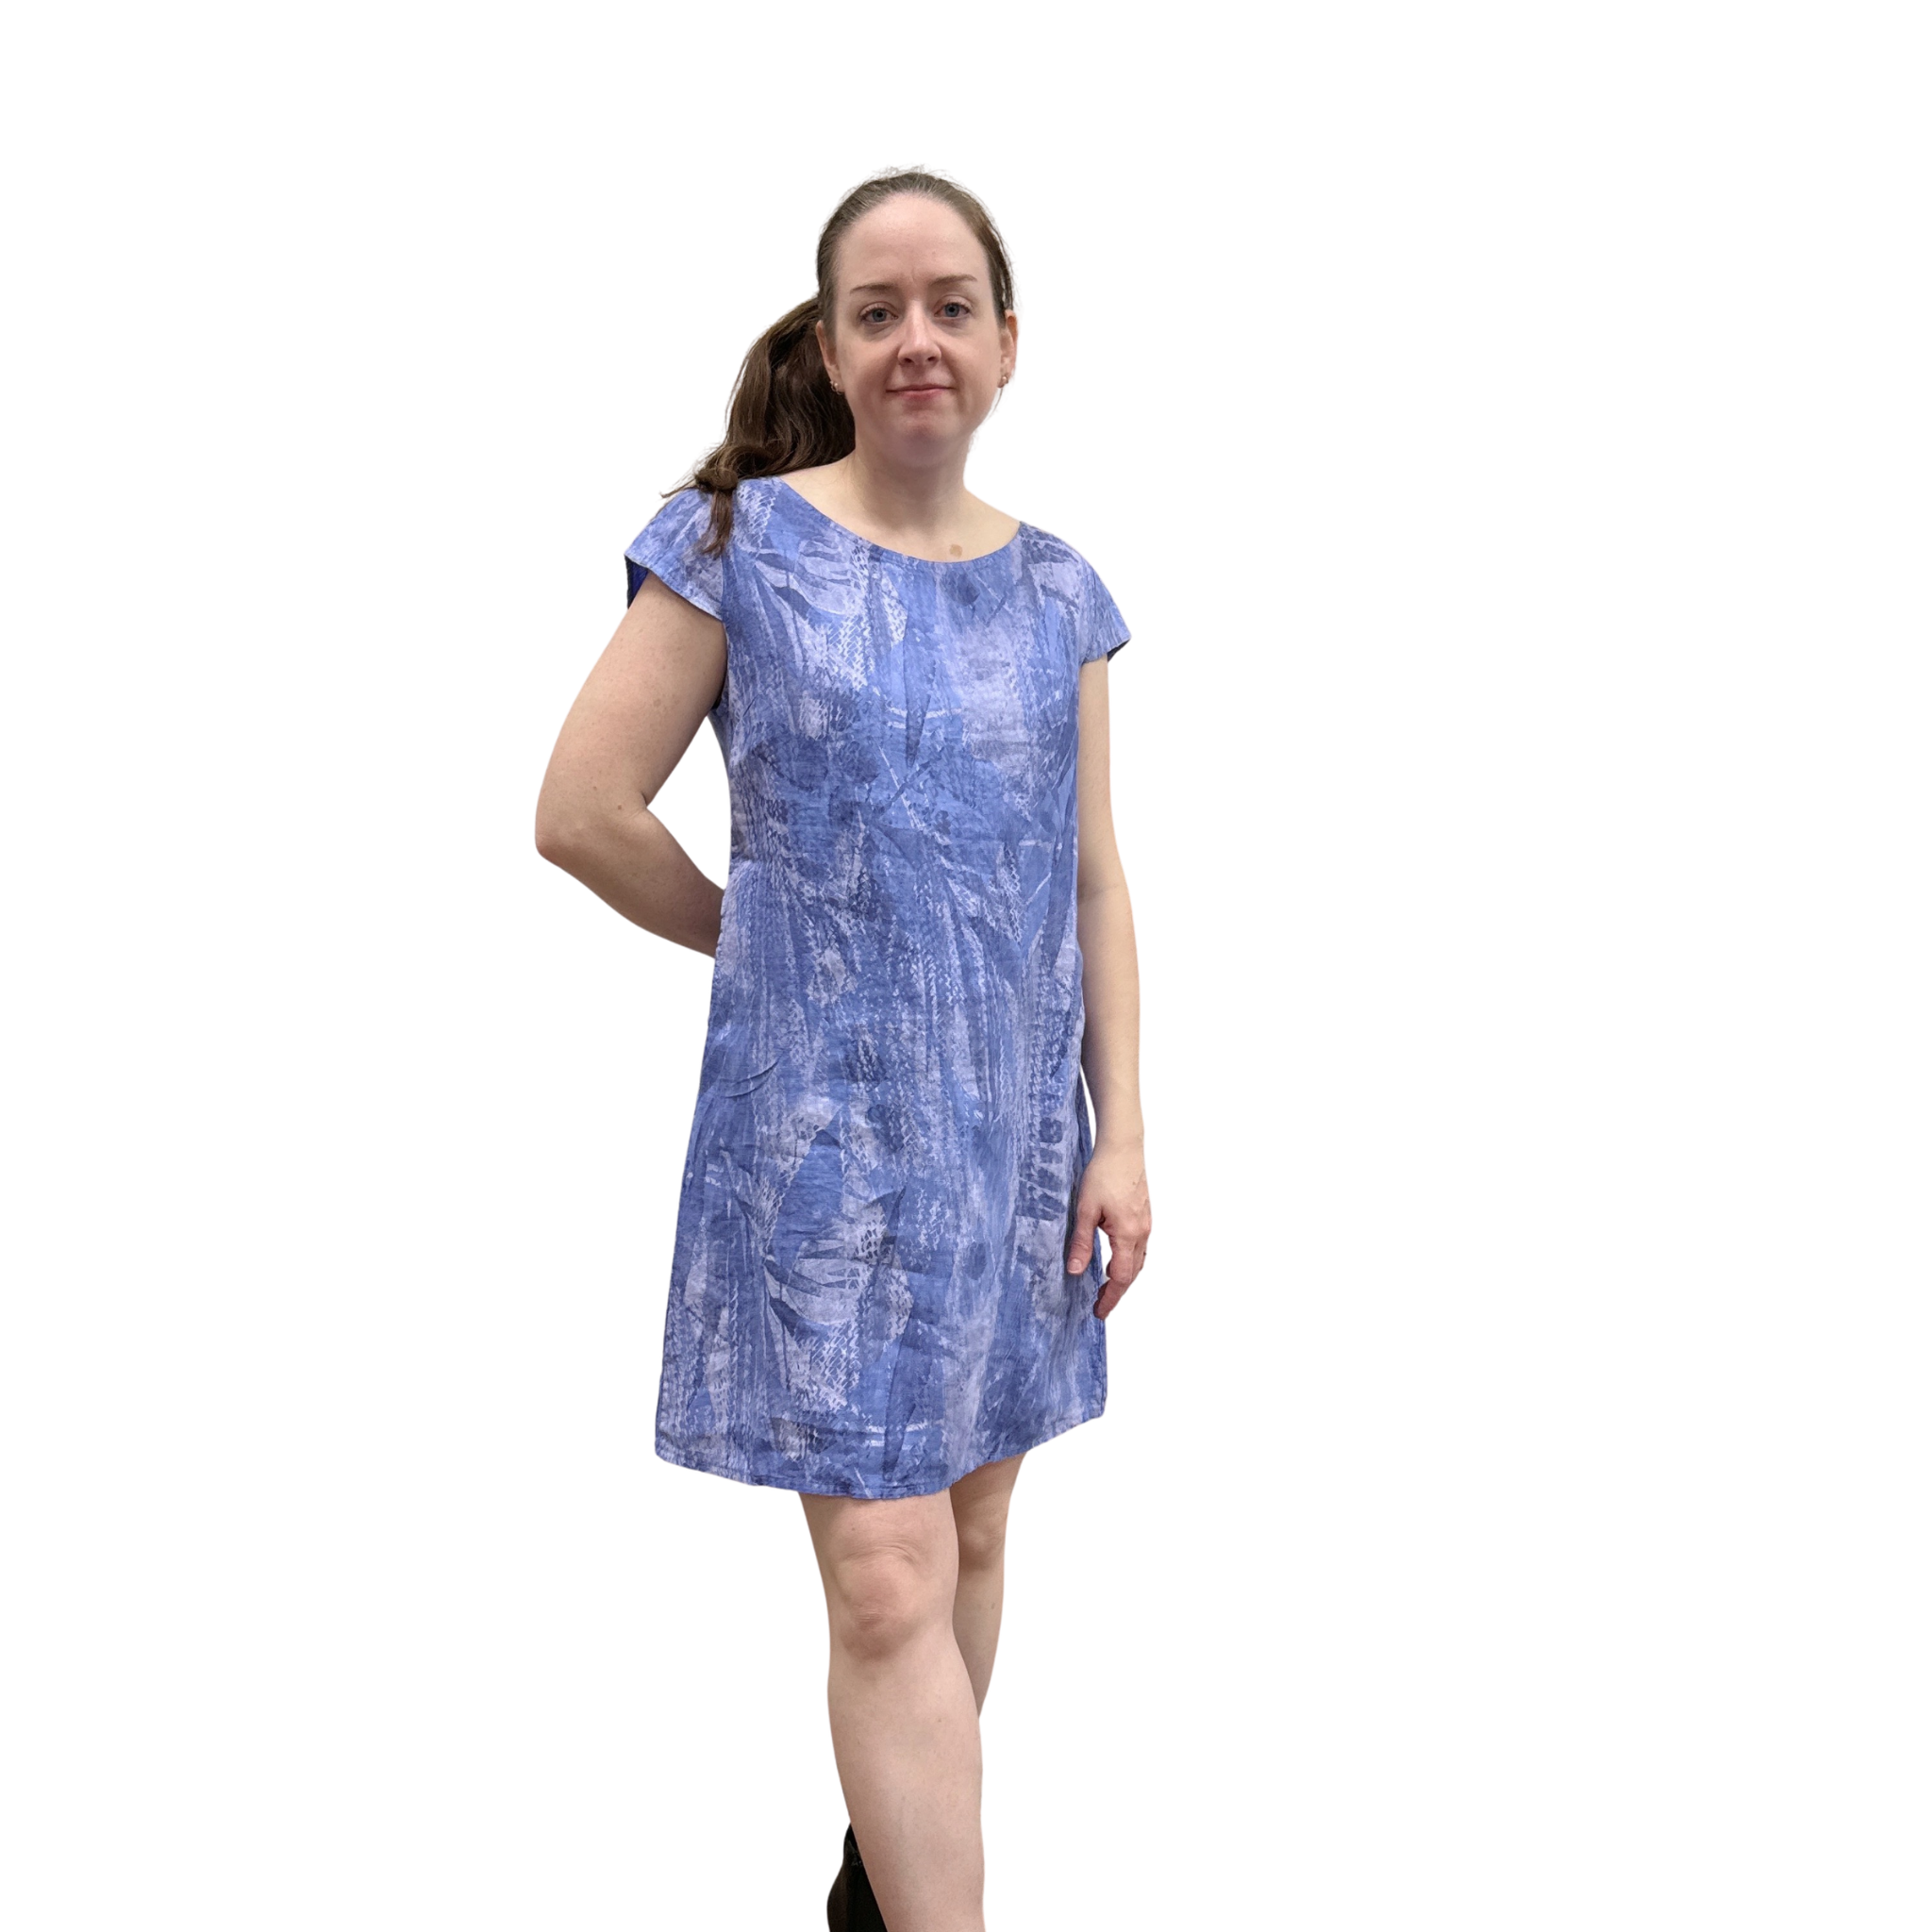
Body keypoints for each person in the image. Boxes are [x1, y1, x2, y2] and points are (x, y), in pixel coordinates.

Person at [534, 167, 1152, 1932]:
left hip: (1012, 1147)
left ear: (1009, 344)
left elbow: (1094, 877)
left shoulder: (1061, 594)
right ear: (830, 344)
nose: (916, 340)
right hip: (821, 1159)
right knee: (885, 1575)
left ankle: (878, 1890)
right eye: (878, 312)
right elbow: (582, 810)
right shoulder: (739, 549)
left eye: (951, 306)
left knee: (969, 1536)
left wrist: (1123, 1134)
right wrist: (764, 938)